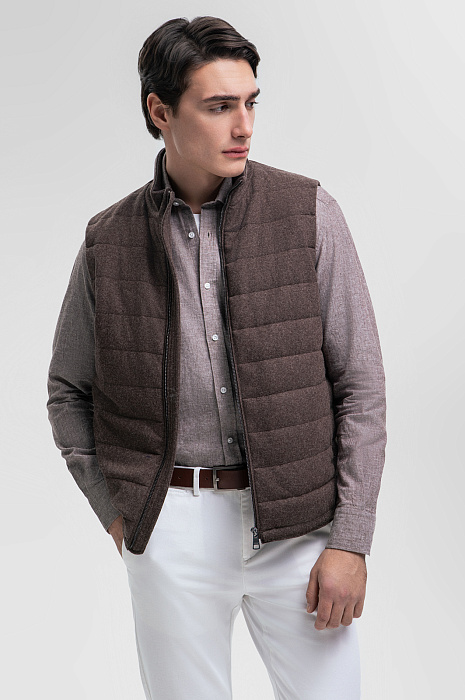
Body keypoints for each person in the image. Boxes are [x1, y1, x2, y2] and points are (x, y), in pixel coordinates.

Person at [47, 15, 387, 700]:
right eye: (219, 106)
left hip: (300, 530)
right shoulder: (108, 241)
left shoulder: (307, 211)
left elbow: (360, 385)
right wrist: (121, 516)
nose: (244, 126)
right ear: (160, 111)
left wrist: (350, 539)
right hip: (171, 527)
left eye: (250, 102)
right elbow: (68, 392)